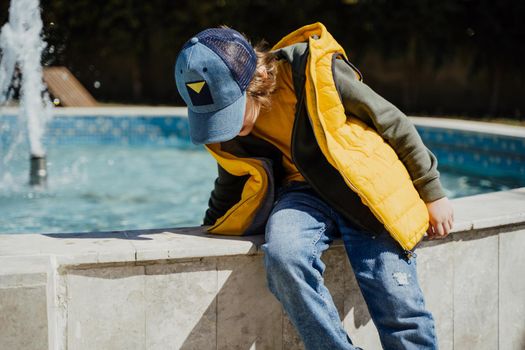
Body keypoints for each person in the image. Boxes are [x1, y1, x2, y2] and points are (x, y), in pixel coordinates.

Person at [175, 22, 454, 350]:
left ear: (257, 79)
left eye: (230, 113)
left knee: (398, 305)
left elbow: (393, 122)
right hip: (303, 196)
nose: (229, 130)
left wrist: (432, 192)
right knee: (283, 256)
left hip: (364, 190)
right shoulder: (234, 134)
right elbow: (232, 176)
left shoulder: (314, 72)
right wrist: (210, 225)